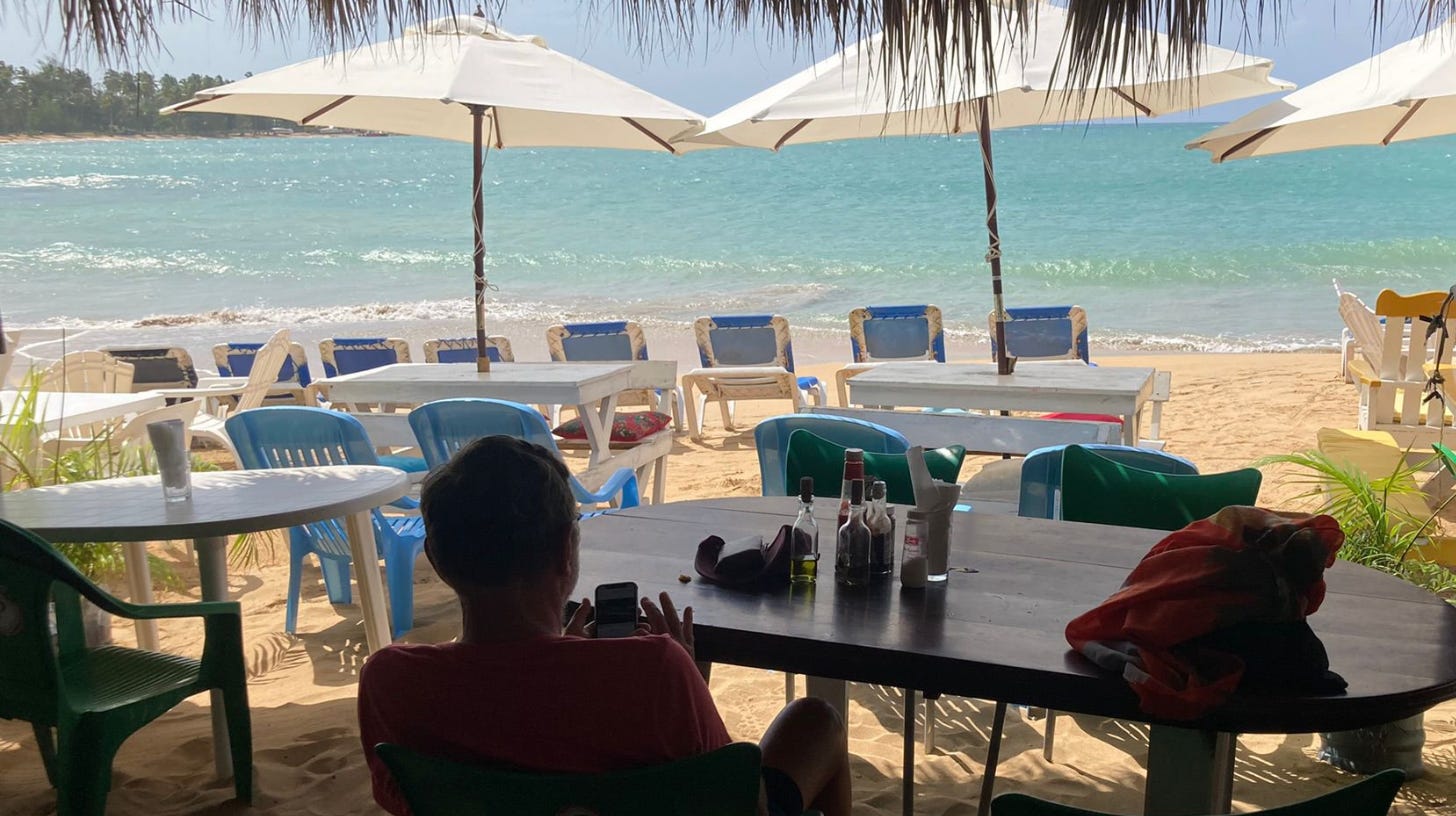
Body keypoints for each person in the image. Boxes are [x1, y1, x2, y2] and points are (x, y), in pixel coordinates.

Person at [358, 435, 852, 816]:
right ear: (566, 553)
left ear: (437, 560)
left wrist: (560, 660)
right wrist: (687, 673)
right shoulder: (653, 670)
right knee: (816, 719)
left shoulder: (391, 682)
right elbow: (737, 800)